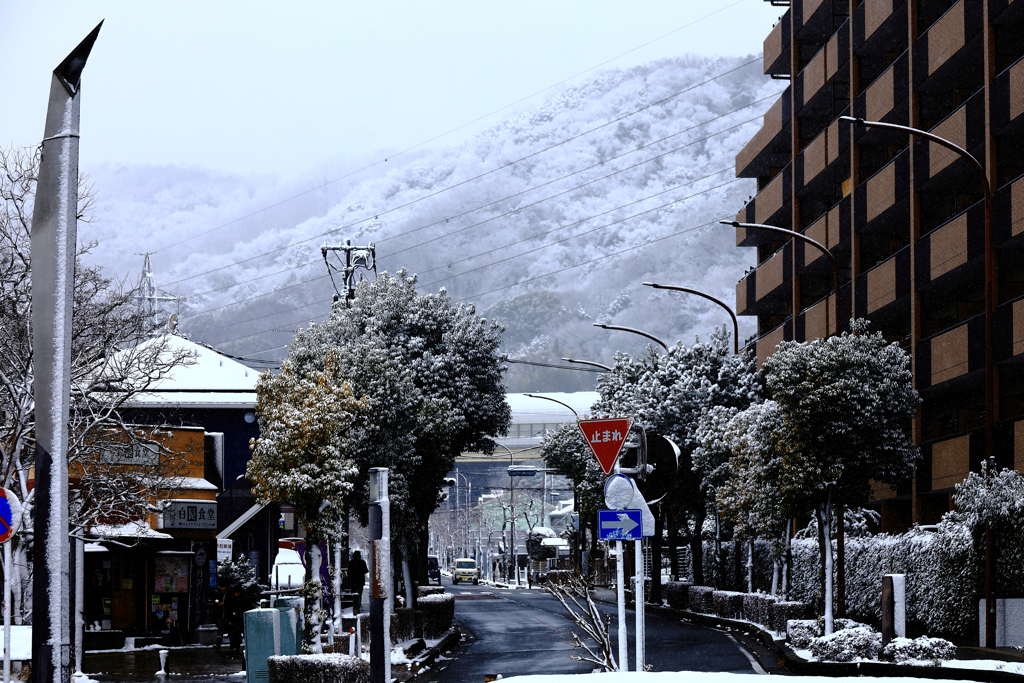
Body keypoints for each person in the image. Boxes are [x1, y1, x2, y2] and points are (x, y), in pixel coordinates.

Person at [348, 550, 369, 614]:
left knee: (354, 596)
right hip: (360, 581)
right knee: (359, 595)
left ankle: (355, 608)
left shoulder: (351, 562)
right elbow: (366, 571)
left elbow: (349, 572)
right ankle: (358, 607)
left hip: (353, 582)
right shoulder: (362, 562)